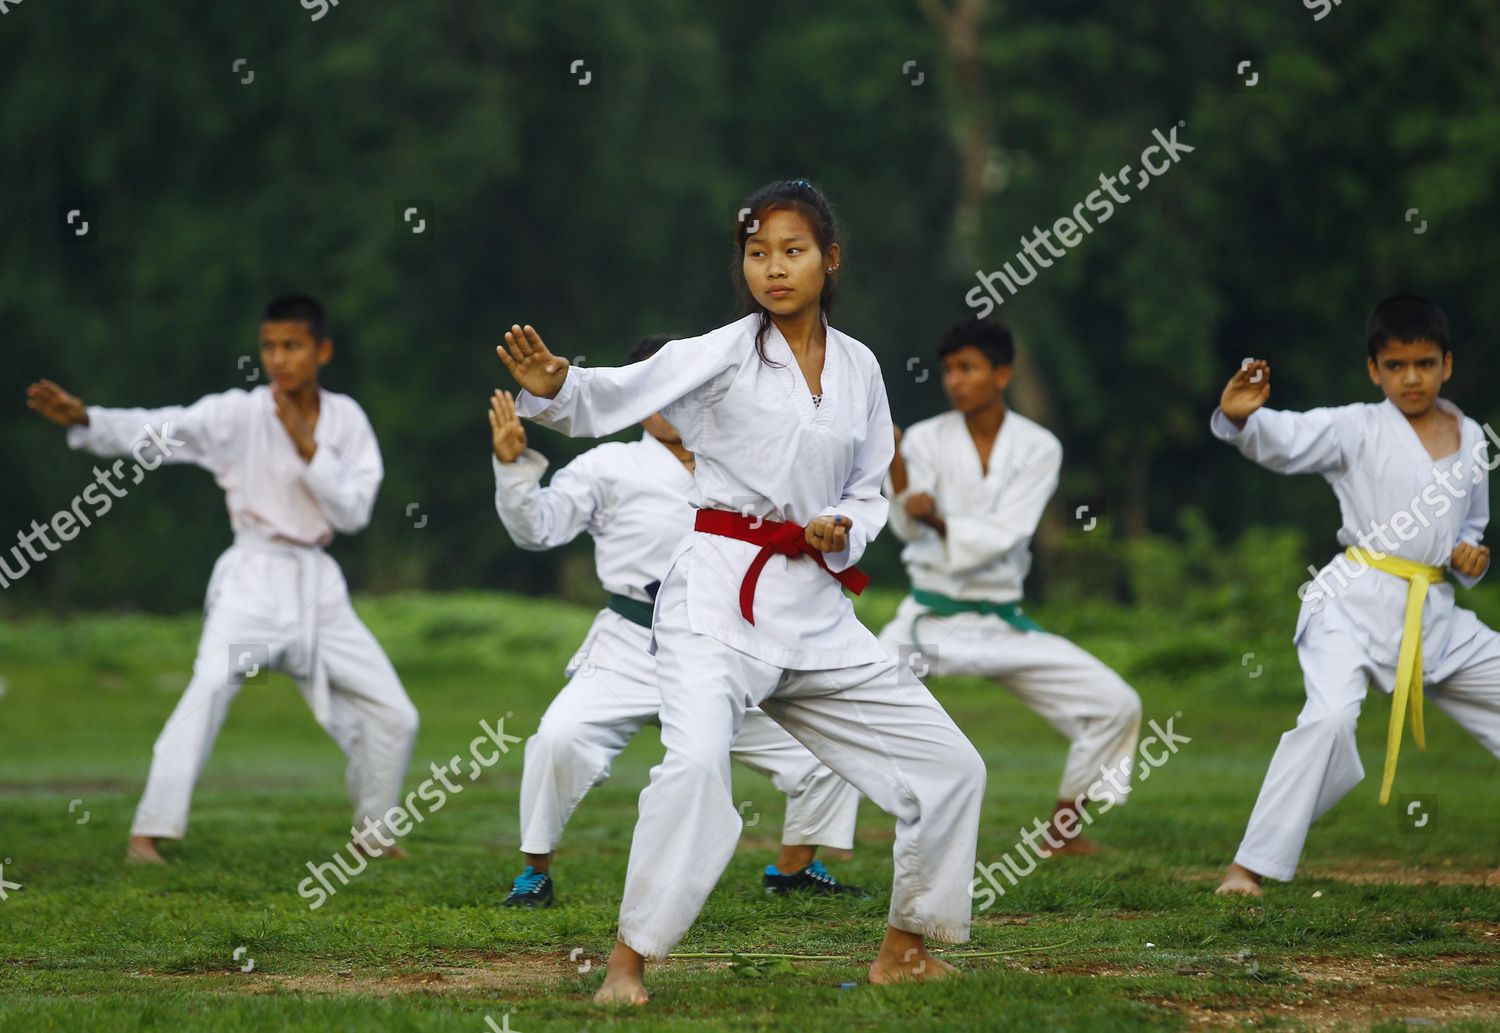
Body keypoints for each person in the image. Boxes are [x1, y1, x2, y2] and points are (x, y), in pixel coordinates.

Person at [495, 179, 986, 1004]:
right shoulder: (722, 349)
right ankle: (627, 963)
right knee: (691, 769)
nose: (773, 269)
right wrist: (560, 383)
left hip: (816, 609)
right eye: (757, 253)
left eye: (792, 251)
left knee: (951, 766)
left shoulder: (862, 367)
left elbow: (871, 487)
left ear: (829, 260)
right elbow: (622, 389)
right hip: (715, 598)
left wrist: (842, 527)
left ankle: (905, 946)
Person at [25, 294, 419, 865]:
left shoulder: (348, 421)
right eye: (269, 346)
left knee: (395, 713)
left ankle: (373, 833)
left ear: (322, 350)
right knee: (207, 689)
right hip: (252, 577)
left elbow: (354, 514)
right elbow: (163, 428)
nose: (278, 359)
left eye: (292, 345)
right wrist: (90, 421)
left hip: (318, 585)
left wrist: (309, 447)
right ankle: (148, 834)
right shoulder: (238, 413)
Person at [488, 333, 865, 907]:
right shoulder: (608, 466)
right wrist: (514, 470)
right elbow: (536, 528)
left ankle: (794, 868)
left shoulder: (746, 464)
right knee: (558, 738)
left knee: (825, 745)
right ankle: (534, 870)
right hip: (629, 643)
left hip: (729, 640)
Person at [1211, 295, 1496, 896]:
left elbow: (1469, 530)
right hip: (1352, 603)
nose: (1411, 377)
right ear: (1374, 370)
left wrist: (1470, 557)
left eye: (1424, 363)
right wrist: (1243, 420)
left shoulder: (1472, 438)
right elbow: (1289, 438)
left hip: (1434, 617)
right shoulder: (1355, 427)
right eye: (1396, 366)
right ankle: (1249, 868)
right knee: (1330, 721)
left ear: (1448, 363)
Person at [880, 317, 1141, 855]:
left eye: (968, 368)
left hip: (1001, 623)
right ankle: (824, 842)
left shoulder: (1038, 445)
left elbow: (1008, 533)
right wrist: (897, 471)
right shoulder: (924, 438)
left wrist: (938, 520)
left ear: (1002, 375)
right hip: (930, 622)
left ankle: (1063, 831)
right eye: (949, 370)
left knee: (1116, 703)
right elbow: (905, 522)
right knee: (850, 696)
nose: (955, 381)